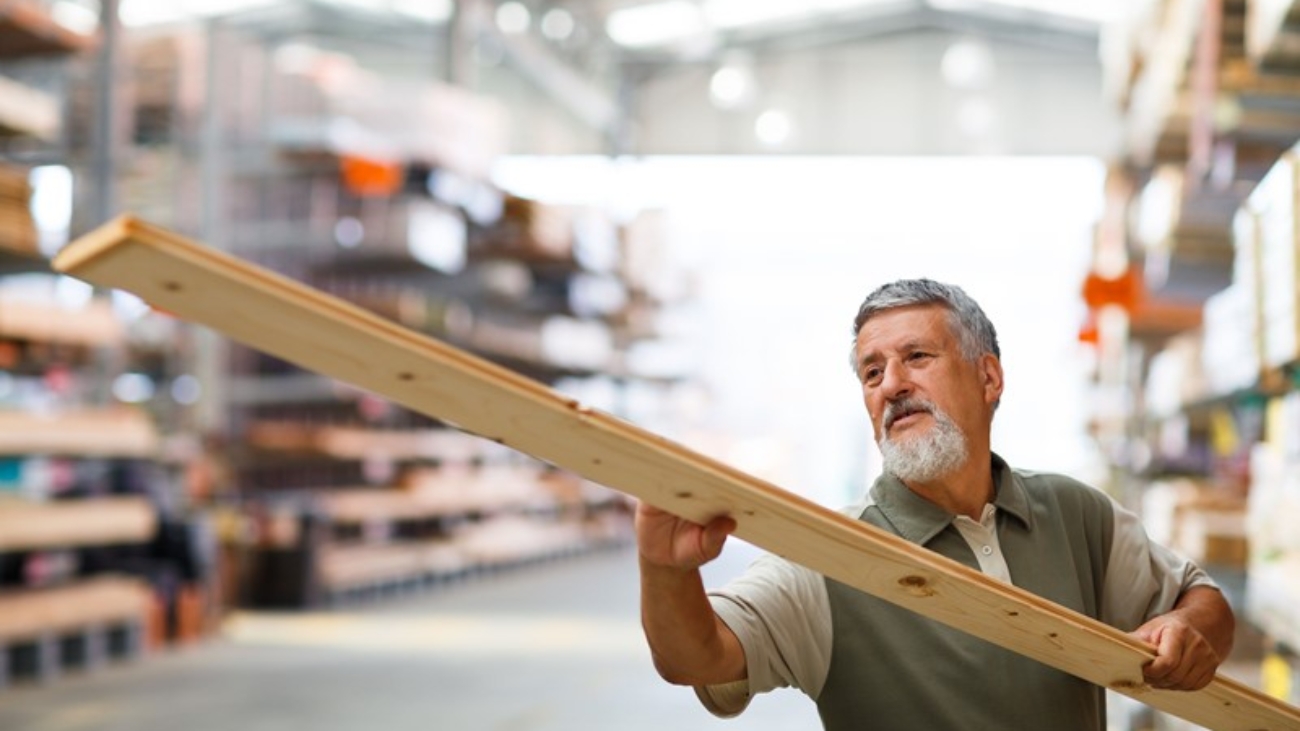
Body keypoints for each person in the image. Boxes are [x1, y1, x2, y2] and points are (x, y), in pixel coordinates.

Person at [635, 278, 1234, 731]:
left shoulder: (1076, 514)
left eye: (917, 357)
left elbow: (1204, 601)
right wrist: (664, 568)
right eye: (872, 372)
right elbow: (697, 657)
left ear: (989, 378)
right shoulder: (828, 559)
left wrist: (1185, 628)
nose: (892, 384)